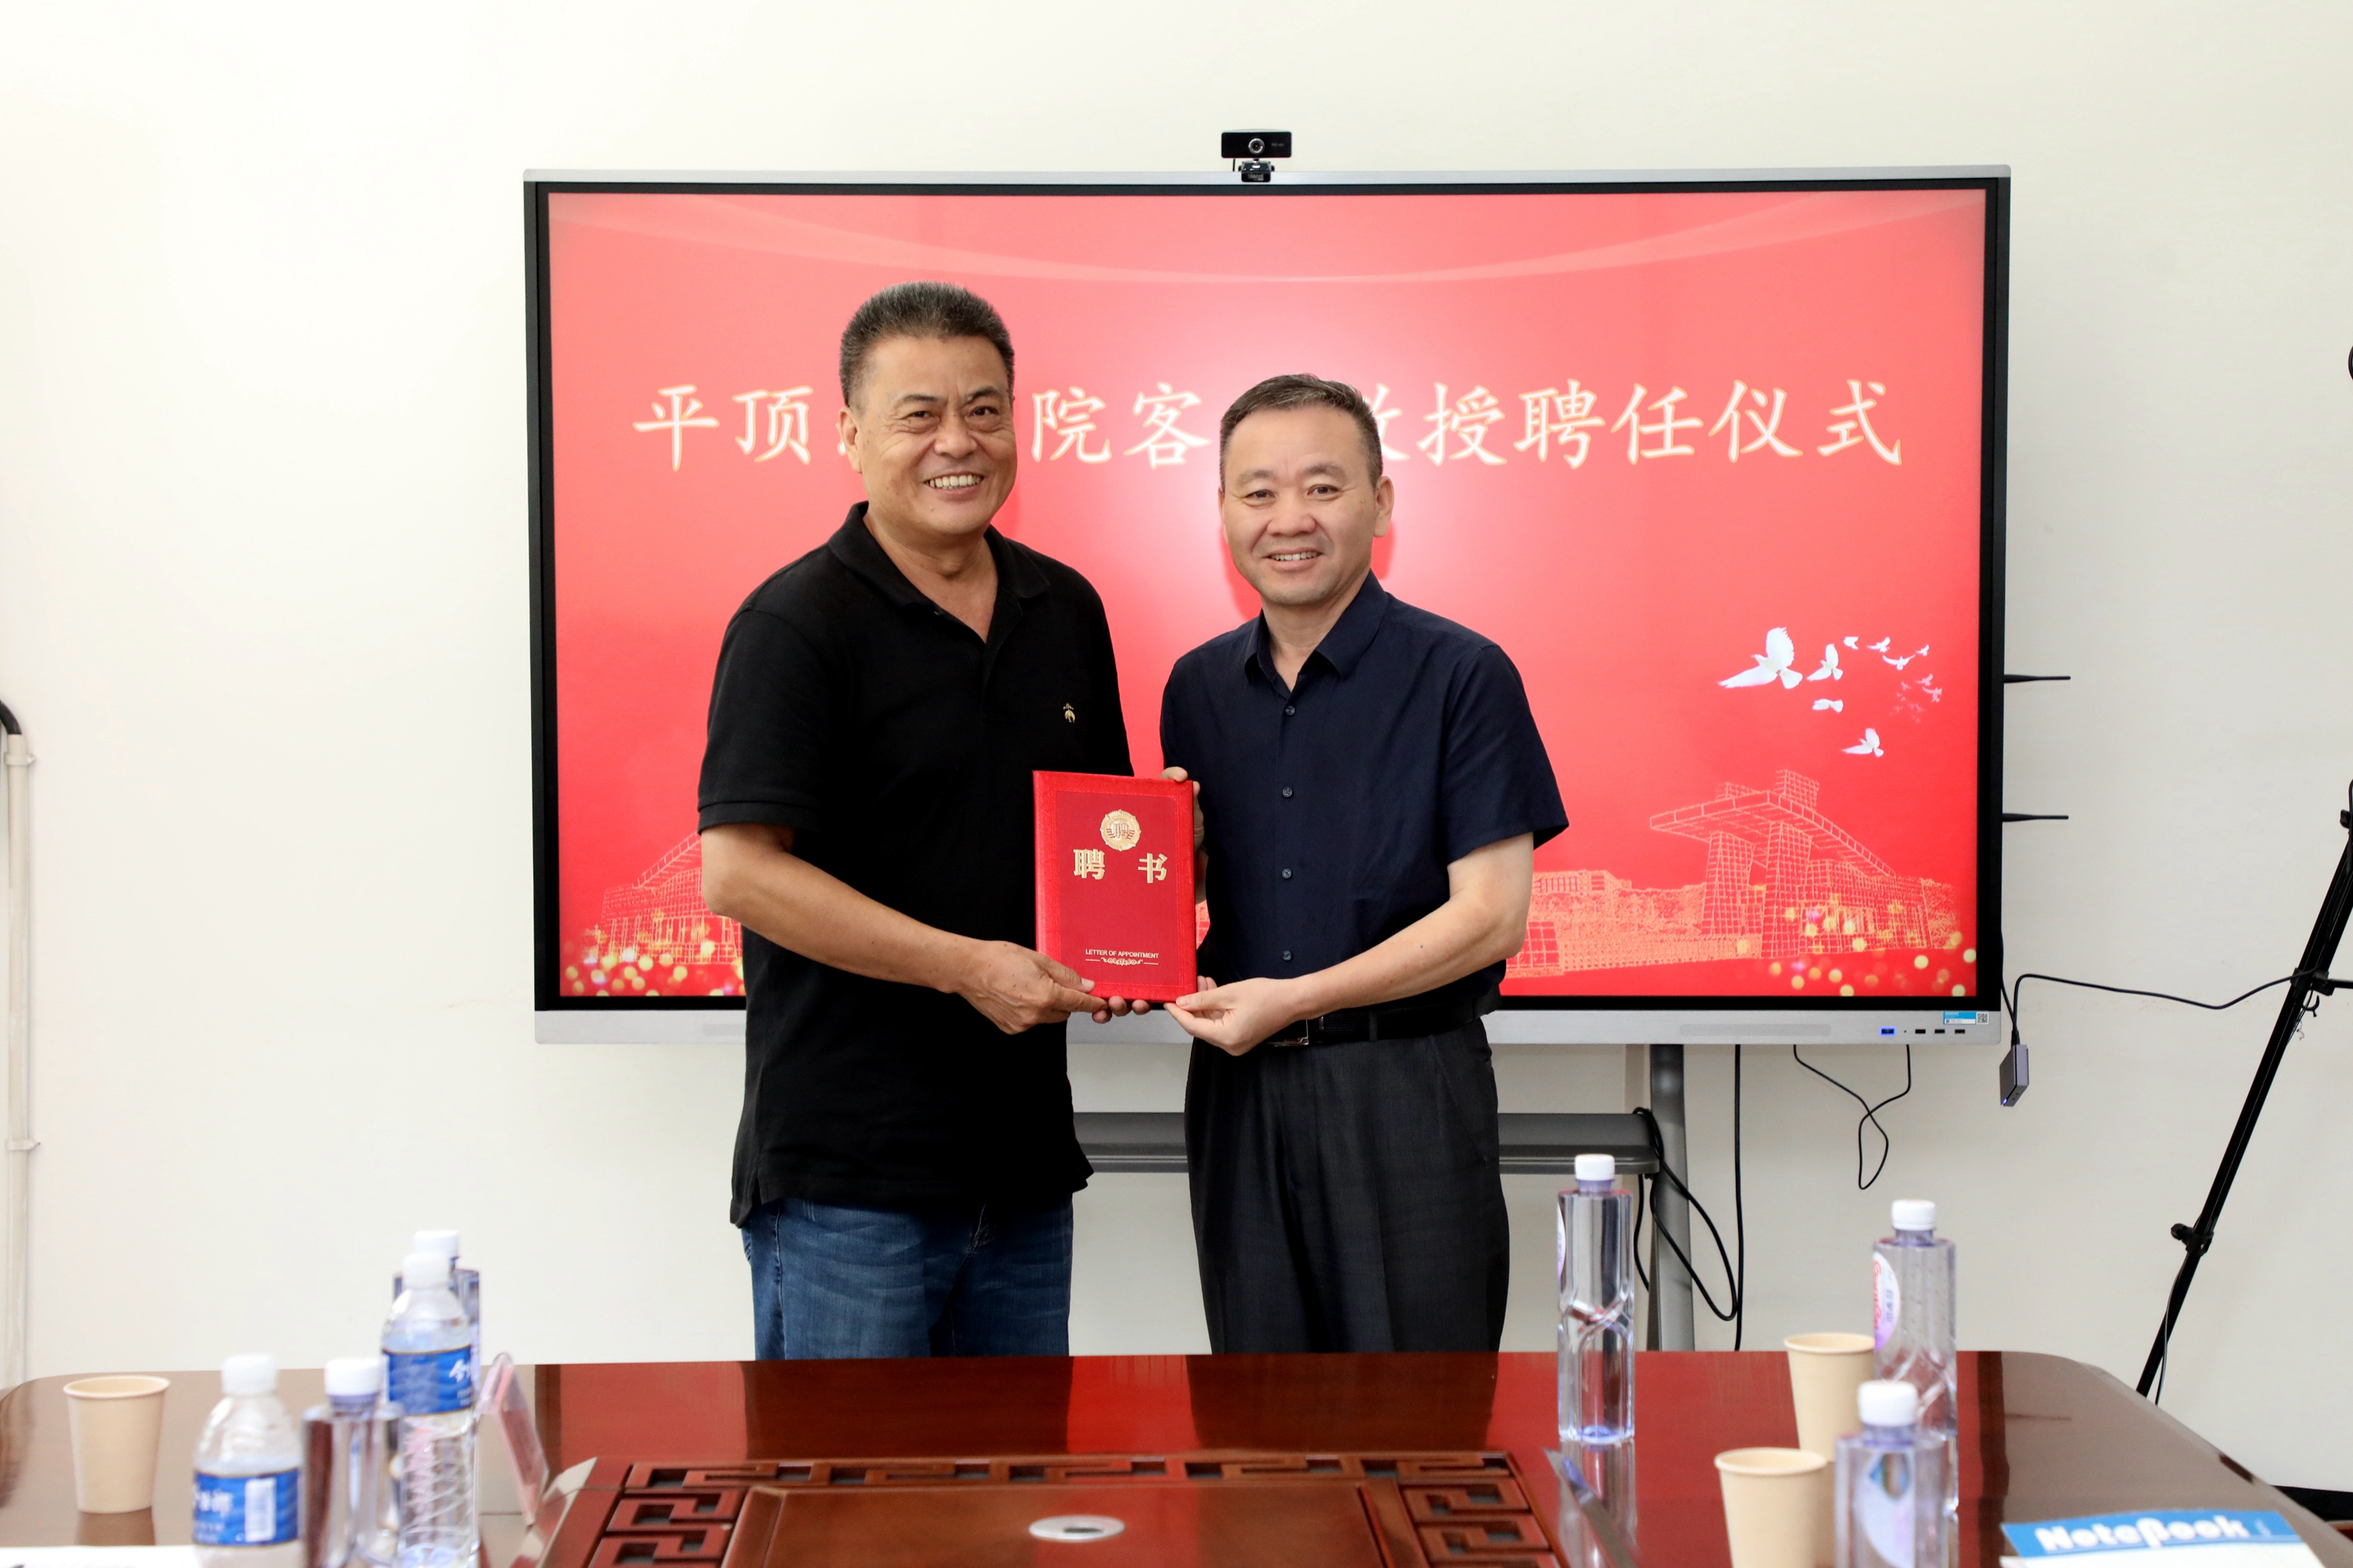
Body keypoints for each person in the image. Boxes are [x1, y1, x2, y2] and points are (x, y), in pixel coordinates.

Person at [697, 281, 1144, 1360]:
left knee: (1019, 1469)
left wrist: (1165, 890)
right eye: (919, 415)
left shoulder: (1064, 609)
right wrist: (965, 966)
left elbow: (1098, 845)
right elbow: (739, 873)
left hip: (1022, 1165)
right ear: (849, 433)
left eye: (984, 410)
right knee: (847, 1477)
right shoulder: (794, 622)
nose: (958, 441)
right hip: (849, 1181)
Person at [1159, 373, 1568, 1354]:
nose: (1288, 519)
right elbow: (1213, 886)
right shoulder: (1197, 686)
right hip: (1239, 1095)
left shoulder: (1461, 674)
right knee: (1256, 1409)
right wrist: (1161, 887)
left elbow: (1490, 916)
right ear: (1223, 512)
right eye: (1257, 492)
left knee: (1417, 1412)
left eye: (1323, 487)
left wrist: (1296, 1001)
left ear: (1380, 503)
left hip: (1406, 1091)